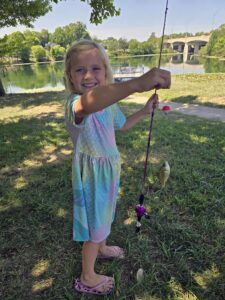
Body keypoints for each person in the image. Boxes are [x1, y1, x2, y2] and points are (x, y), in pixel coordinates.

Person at [64, 40, 171, 296]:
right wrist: (134, 84)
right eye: (80, 70)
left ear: (106, 71)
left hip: (110, 170)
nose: (88, 75)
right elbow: (89, 103)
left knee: (106, 214)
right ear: (70, 76)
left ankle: (102, 247)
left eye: (95, 68)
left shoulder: (109, 104)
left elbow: (122, 125)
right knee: (94, 224)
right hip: (91, 177)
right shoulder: (75, 105)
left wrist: (145, 110)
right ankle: (87, 276)